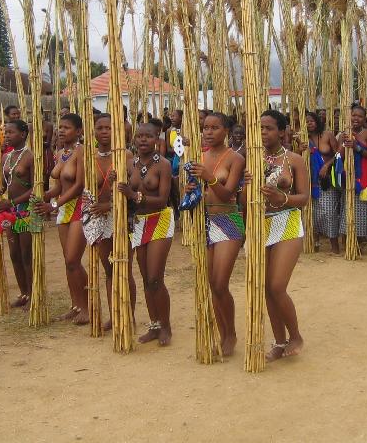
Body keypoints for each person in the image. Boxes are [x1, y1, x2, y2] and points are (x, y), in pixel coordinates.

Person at [244, 109, 307, 362]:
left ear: (281, 132)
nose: (263, 132)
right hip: (262, 225)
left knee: (277, 286)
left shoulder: (294, 160)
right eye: (259, 128)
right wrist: (246, 184)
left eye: (268, 128)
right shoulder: (252, 160)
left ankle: (296, 336)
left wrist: (283, 198)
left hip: (288, 222)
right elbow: (243, 199)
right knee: (266, 289)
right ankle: (279, 342)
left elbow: (304, 198)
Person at [186, 112, 246, 357]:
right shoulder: (199, 157)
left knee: (221, 282)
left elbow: (227, 193)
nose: (208, 132)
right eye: (205, 127)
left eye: (215, 127)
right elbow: (194, 196)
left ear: (226, 131)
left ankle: (230, 333)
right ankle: (222, 332)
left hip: (229, 221)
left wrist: (209, 178)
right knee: (211, 283)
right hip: (205, 221)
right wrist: (190, 189)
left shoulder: (235, 158)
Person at [117, 120, 174, 347]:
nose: (142, 140)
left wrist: (133, 195)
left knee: (155, 277)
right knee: (145, 279)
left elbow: (161, 200)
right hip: (139, 223)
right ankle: (154, 324)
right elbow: (125, 192)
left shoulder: (164, 165)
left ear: (157, 138)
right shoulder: (130, 163)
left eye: (148, 136)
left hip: (159, 220)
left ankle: (166, 326)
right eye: (139, 136)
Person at [82, 113, 136, 330]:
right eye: (100, 128)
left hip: (121, 217)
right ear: (93, 131)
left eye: (108, 128)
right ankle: (115, 314)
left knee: (124, 266)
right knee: (108, 269)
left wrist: (110, 205)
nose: (104, 132)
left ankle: (128, 315)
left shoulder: (126, 156)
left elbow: (132, 190)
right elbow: (85, 190)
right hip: (99, 219)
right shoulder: (89, 158)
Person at [40, 113, 89, 325]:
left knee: (73, 259)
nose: (61, 130)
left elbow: (78, 186)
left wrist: (53, 205)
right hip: (63, 209)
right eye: (59, 127)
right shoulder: (60, 153)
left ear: (78, 131)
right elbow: (60, 185)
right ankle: (75, 305)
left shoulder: (82, 152)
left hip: (79, 207)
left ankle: (88, 307)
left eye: (66, 127)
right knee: (68, 262)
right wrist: (46, 196)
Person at [0, 120, 34, 308]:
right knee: (14, 253)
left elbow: (35, 189)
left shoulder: (30, 157)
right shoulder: (6, 158)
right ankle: (23, 293)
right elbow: (3, 183)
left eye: (11, 132)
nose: (7, 135)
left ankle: (33, 293)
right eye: (5, 133)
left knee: (26, 253)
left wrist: (13, 202)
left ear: (23, 134)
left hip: (26, 210)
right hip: (9, 211)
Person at [337, 105, 367, 251]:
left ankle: (361, 243)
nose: (356, 118)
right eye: (354, 115)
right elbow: (339, 156)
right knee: (348, 210)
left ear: (364, 119)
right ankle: (349, 244)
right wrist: (345, 143)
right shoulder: (344, 134)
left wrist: (357, 147)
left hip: (365, 179)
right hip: (349, 177)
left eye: (359, 116)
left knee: (364, 212)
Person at [305, 111, 341, 254]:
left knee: (329, 212)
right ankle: (315, 243)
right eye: (307, 122)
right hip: (310, 180)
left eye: (311, 121)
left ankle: (335, 246)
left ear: (317, 121)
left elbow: (338, 154)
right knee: (313, 213)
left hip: (327, 180)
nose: (309, 124)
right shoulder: (302, 138)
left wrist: (327, 165)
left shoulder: (327, 135)